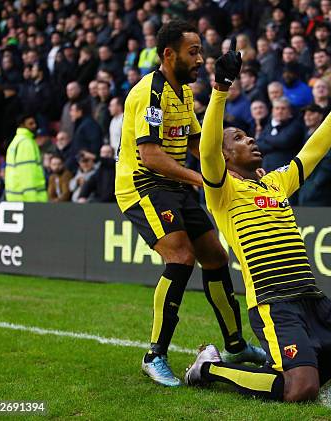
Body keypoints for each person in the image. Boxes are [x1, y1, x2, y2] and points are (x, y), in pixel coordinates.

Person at [187, 49, 331, 401]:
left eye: (248, 136)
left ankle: (310, 357)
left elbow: (314, 150)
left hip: (313, 298)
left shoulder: (276, 181)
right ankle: (209, 367)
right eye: (237, 138)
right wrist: (220, 89)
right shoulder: (222, 190)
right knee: (301, 389)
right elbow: (206, 152)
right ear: (225, 157)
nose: (250, 139)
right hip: (273, 303)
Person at [114, 19, 264, 388]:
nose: (201, 59)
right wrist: (206, 180)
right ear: (169, 54)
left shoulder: (181, 92)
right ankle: (154, 355)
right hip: (142, 184)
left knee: (215, 256)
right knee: (180, 257)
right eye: (193, 52)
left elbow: (199, 146)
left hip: (173, 185)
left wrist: (230, 173)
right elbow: (149, 155)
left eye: (200, 51)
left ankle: (234, 346)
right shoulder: (150, 92)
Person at [297, 104, 331, 206]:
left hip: (321, 190)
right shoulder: (307, 134)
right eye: (306, 114)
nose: (307, 117)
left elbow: (328, 163)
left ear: (320, 116)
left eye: (311, 114)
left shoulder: (326, 134)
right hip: (306, 186)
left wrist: (316, 183)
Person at [4, 114, 47, 202]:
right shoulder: (26, 143)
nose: (34, 126)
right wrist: (32, 201)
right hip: (28, 199)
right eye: (30, 124)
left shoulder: (16, 141)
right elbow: (27, 173)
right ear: (22, 125)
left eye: (34, 123)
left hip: (15, 196)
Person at [256, 97, 305, 172]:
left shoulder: (296, 125)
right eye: (277, 108)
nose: (280, 111)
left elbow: (283, 141)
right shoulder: (269, 125)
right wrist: (277, 144)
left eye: (283, 108)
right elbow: (258, 145)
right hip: (266, 170)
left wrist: (266, 138)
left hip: (286, 170)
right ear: (272, 111)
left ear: (289, 111)